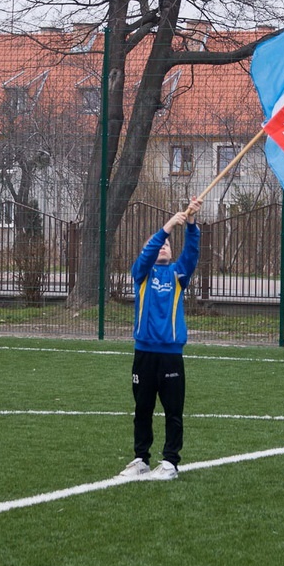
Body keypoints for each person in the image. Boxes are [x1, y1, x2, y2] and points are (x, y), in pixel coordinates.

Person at [118, 196, 202, 481]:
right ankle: (141, 459)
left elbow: (191, 253)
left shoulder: (178, 274)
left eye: (167, 244)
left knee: (173, 411)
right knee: (142, 410)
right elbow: (148, 251)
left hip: (170, 354)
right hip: (144, 353)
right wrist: (166, 227)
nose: (164, 246)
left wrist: (190, 223)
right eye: (159, 245)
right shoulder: (141, 274)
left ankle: (170, 463)